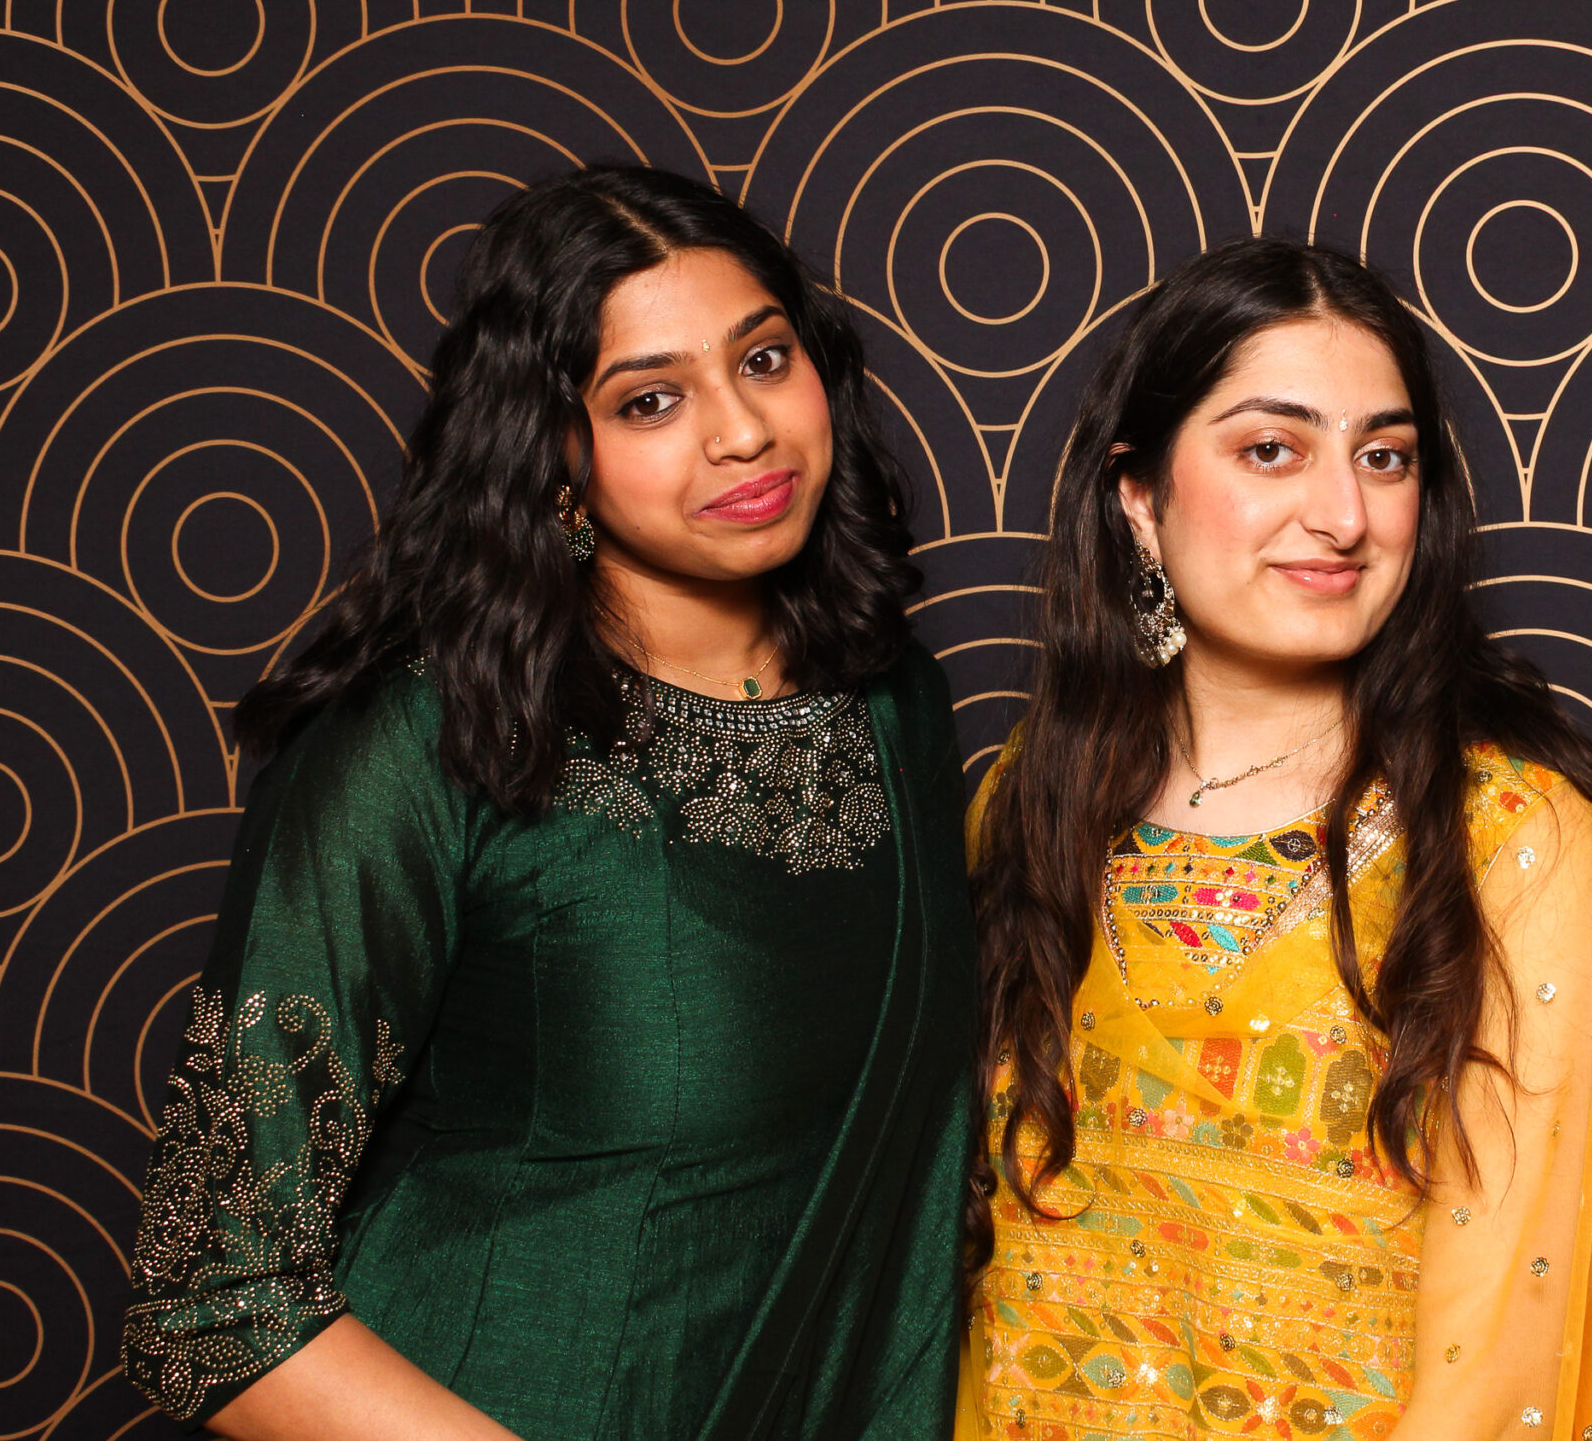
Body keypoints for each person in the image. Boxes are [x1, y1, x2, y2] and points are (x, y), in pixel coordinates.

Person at [119, 165, 975, 1440]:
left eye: (764, 359)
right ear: (553, 450)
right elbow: (206, 1300)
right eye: (650, 400)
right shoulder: (433, 738)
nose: (742, 432)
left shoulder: (893, 702)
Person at [961, 238, 1592, 1440]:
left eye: (1383, 458)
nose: (1343, 516)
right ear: (1138, 498)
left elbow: (1507, 1332)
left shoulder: (1511, 839)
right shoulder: (1028, 802)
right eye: (1270, 450)